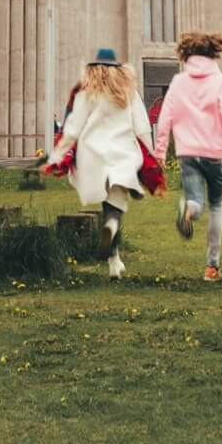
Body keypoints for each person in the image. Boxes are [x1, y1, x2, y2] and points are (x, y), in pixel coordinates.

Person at [43, 48, 163, 278]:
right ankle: (111, 233)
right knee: (115, 206)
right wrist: (152, 155)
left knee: (106, 203)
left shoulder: (86, 93)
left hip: (93, 156)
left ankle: (114, 261)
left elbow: (73, 127)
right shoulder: (128, 92)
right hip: (122, 155)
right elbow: (142, 126)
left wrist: (58, 155)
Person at [154, 29, 222, 284]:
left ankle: (188, 209)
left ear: (186, 54)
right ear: (213, 52)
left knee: (195, 200)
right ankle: (211, 268)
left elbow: (164, 117)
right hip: (214, 151)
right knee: (216, 206)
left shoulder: (178, 82)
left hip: (187, 152)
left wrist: (159, 152)